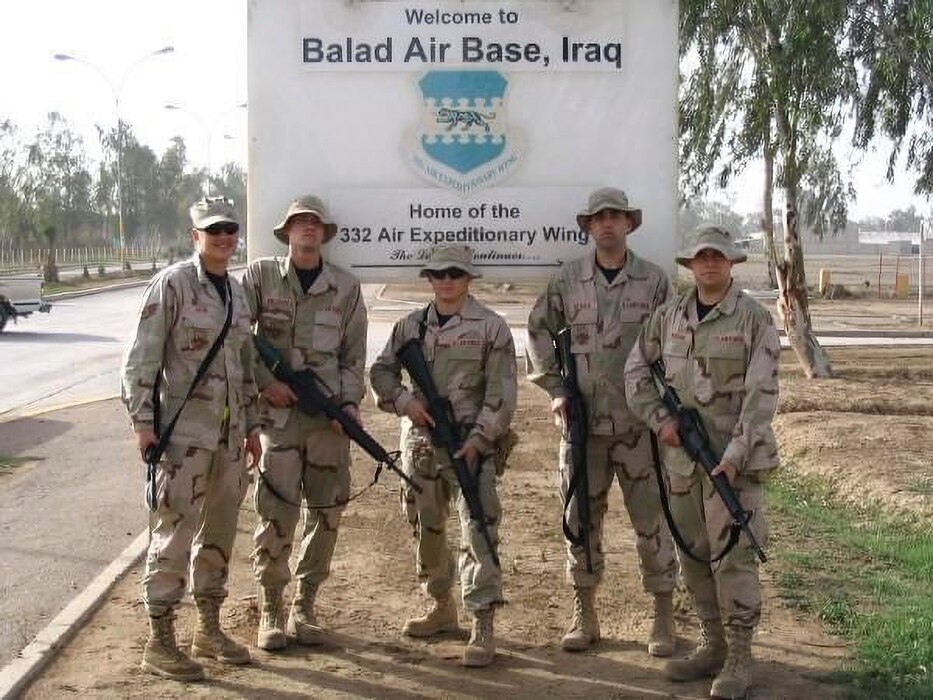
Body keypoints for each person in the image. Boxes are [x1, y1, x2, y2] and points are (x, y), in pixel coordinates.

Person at [624, 225, 780, 699]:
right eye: (701, 257)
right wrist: (660, 421)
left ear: (731, 263)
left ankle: (738, 655)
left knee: (733, 560)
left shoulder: (754, 319)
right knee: (693, 555)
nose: (709, 264)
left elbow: (761, 396)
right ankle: (711, 643)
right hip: (681, 463)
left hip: (735, 465)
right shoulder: (669, 316)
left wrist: (733, 456)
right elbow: (636, 369)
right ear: (690, 265)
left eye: (718, 257)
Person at [526, 187, 678, 654]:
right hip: (583, 428)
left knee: (651, 521)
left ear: (628, 224)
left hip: (639, 429)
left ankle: (663, 617)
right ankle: (584, 613)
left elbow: (674, 345)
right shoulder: (567, 281)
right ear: (589, 227)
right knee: (581, 519)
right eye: (598, 217)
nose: (607, 223)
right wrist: (555, 391)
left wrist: (665, 406)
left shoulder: (654, 283)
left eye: (615, 216)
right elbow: (537, 331)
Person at [120, 197, 262, 681]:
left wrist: (253, 427)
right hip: (183, 440)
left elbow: (244, 367)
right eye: (213, 229)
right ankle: (160, 642)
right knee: (174, 534)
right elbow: (141, 360)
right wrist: (143, 423)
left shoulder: (237, 294)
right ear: (194, 235)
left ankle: (208, 627)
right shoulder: (174, 285)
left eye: (230, 229)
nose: (223, 237)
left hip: (228, 440)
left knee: (219, 535)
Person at [370, 245, 517, 668]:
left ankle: (482, 621)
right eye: (438, 273)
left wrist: (479, 439)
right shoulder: (409, 327)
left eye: (455, 273)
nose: (446, 280)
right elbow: (381, 371)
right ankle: (440, 605)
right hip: (420, 445)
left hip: (472, 447)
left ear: (468, 278)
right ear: (429, 278)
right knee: (426, 528)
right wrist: (403, 403)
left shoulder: (492, 328)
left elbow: (502, 393)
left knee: (479, 529)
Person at [243, 195, 367, 651]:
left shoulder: (345, 288)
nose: (308, 229)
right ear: (287, 232)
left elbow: (355, 356)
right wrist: (263, 384)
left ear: (324, 232)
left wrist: (349, 405)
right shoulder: (260, 277)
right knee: (275, 512)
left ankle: (305, 604)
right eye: (300, 222)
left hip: (327, 420)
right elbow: (239, 336)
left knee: (326, 513)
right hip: (277, 420)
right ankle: (272, 607)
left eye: (315, 223)